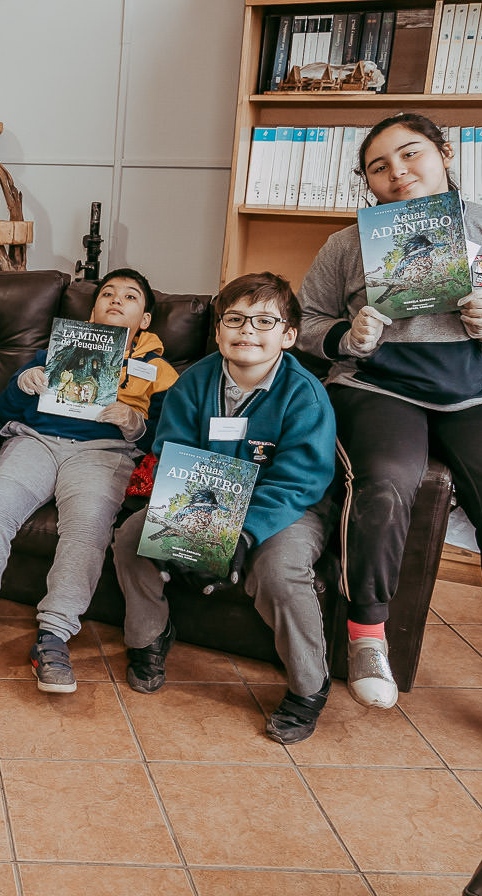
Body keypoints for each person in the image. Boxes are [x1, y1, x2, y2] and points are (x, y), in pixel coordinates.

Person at [299, 111, 482, 712]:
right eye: (379, 167)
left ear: (444, 153)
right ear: (367, 182)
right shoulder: (346, 245)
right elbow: (306, 322)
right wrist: (347, 335)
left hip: (471, 394)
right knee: (387, 481)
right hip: (378, 389)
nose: (397, 172)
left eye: (411, 153)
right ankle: (368, 634)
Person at [112, 272, 335, 744]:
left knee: (278, 572)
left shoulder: (305, 394)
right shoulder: (194, 381)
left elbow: (300, 481)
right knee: (133, 537)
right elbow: (172, 452)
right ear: (218, 331)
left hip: (285, 507)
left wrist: (244, 533)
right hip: (205, 499)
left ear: (288, 335)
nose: (247, 330)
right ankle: (149, 637)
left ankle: (309, 685)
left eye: (264, 321)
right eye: (235, 319)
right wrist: (194, 530)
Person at [0, 269, 179, 694]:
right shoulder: (54, 349)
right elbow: (4, 410)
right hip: (35, 441)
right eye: (107, 294)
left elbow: (167, 437)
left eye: (130, 297)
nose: (116, 300)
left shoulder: (159, 372)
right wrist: (22, 385)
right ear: (92, 310)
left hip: (105, 452)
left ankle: (54, 636)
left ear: (145, 319)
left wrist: (135, 424)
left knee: (87, 528)